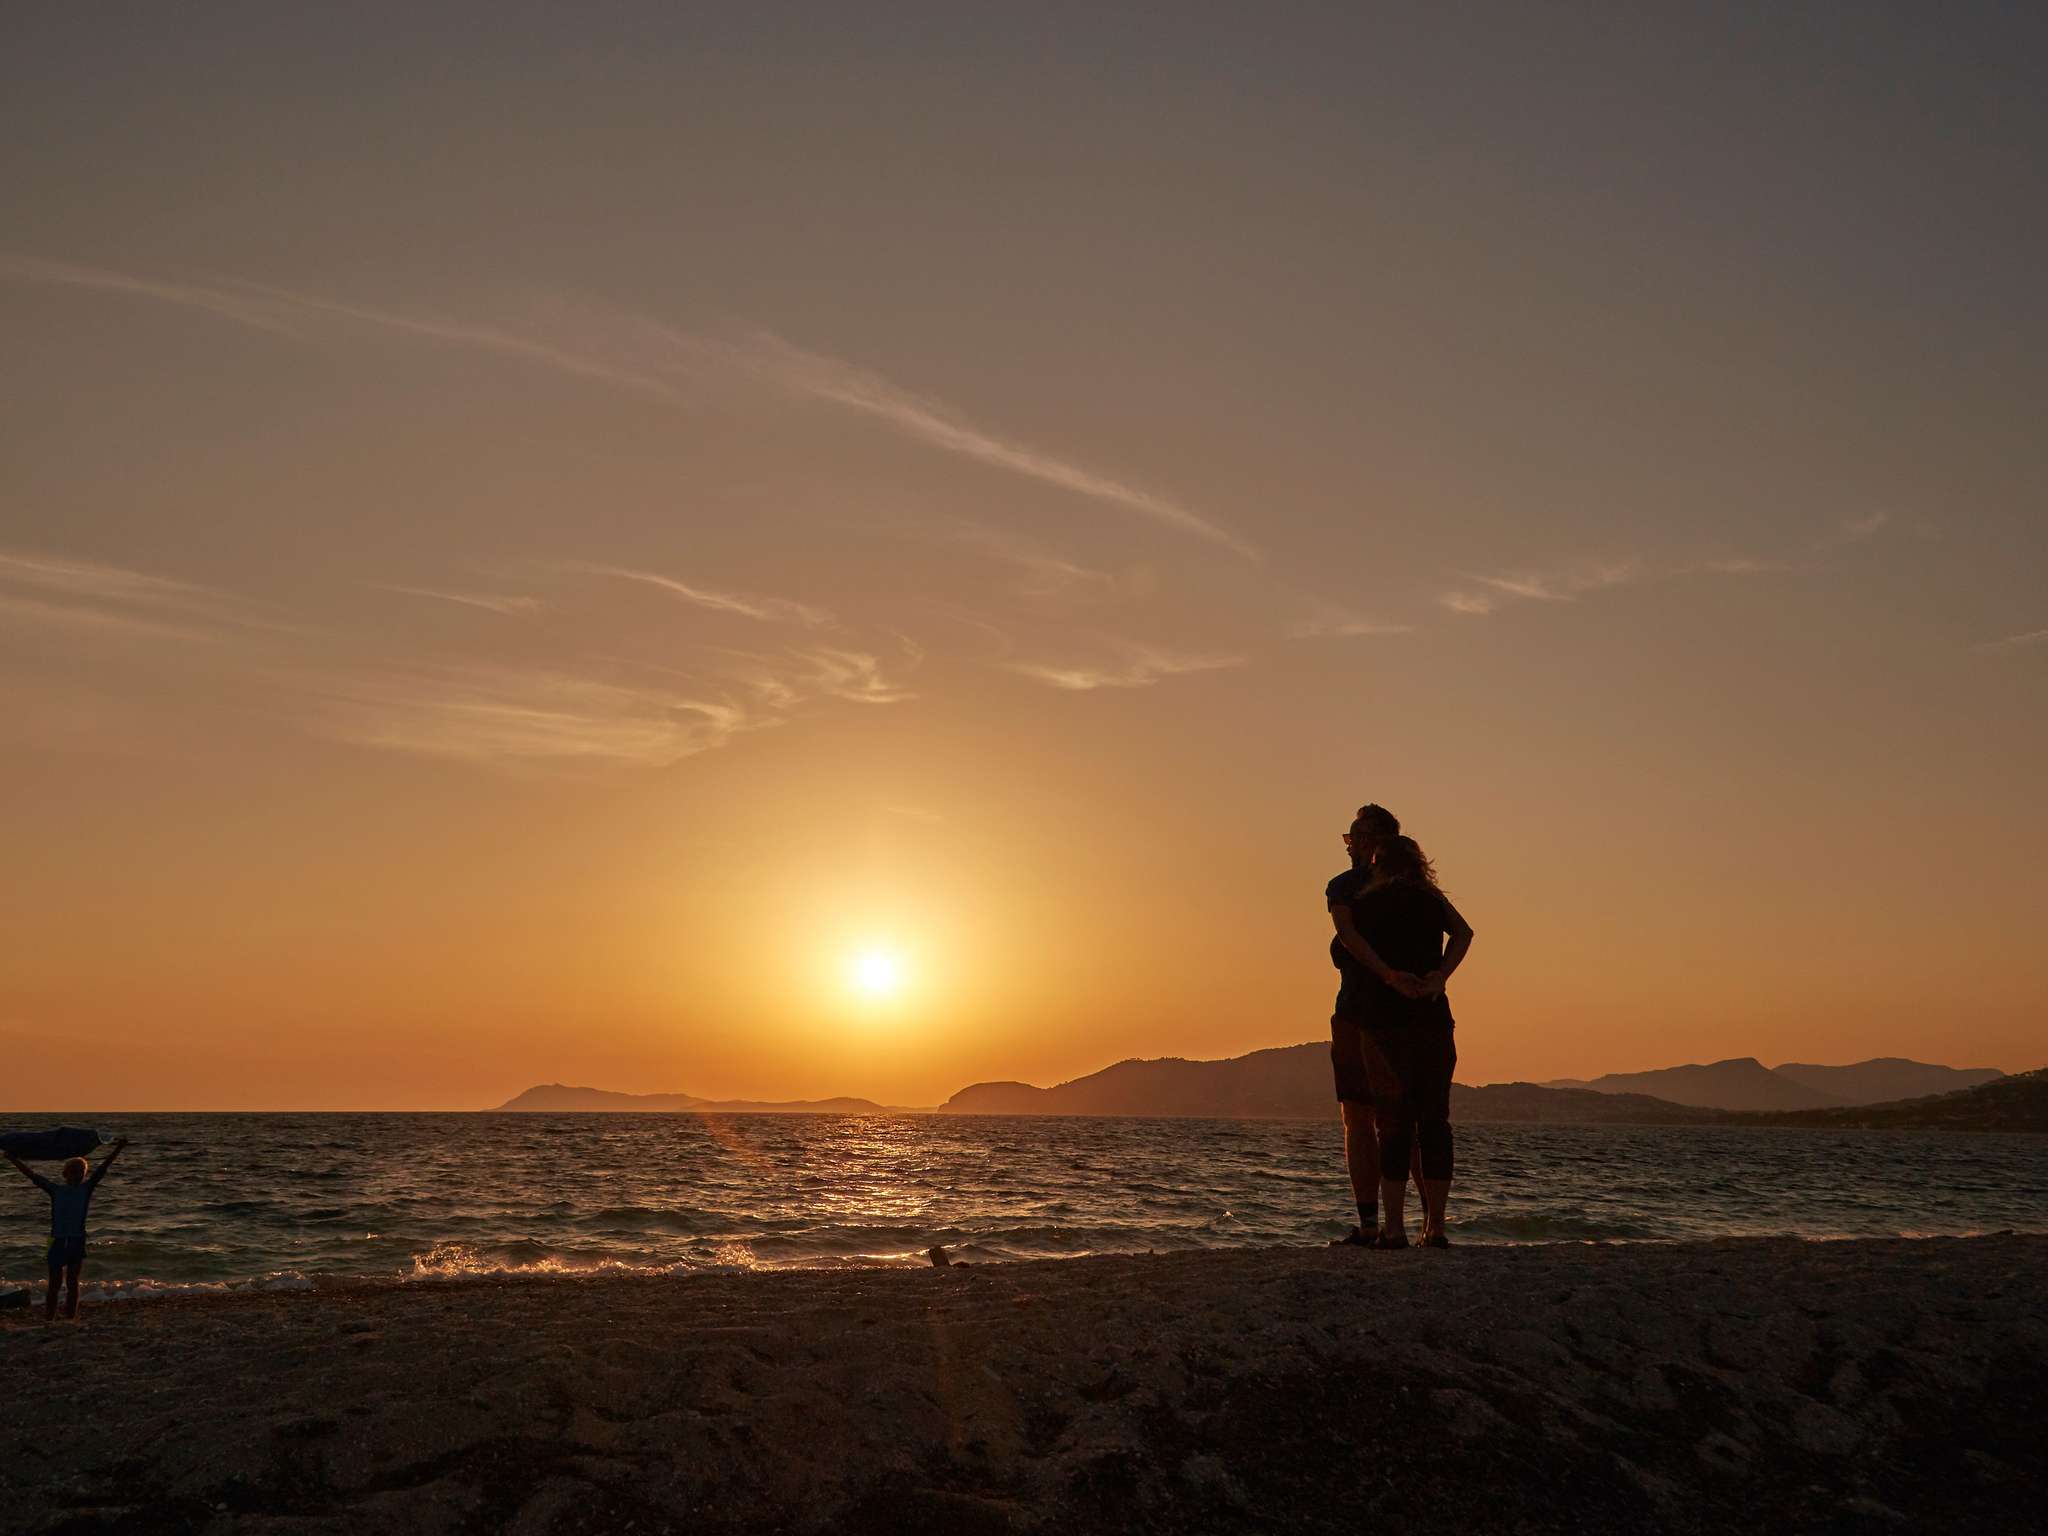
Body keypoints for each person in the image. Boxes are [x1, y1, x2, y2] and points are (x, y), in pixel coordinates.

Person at [1352, 836, 1472, 1248]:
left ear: (1378, 863)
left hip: (1385, 1020)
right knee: (1434, 1122)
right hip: (1433, 1018)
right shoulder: (1429, 898)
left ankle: (1396, 1228)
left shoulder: (1367, 904)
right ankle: (1435, 1227)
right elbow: (1464, 933)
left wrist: (1388, 974)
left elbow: (1346, 946)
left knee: (1393, 1123)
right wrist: (1440, 973)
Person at [1324, 804, 1433, 1247]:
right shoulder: (1419, 891)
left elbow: (1349, 938)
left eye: (1353, 838)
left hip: (1366, 1011)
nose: (1349, 846)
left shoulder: (1347, 887)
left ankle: (1377, 1223)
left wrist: (1386, 975)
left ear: (1371, 841)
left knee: (1363, 1116)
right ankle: (1427, 1222)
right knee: (1399, 1118)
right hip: (1408, 1010)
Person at [7, 1138, 128, 1321]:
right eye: (73, 1171)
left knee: (72, 1281)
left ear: (84, 1175)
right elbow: (32, 1176)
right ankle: (49, 1317)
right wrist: (13, 1160)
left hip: (76, 1239)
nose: (76, 1174)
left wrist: (118, 1148)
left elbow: (103, 1168)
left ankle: (70, 1317)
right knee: (54, 1283)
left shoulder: (86, 1189)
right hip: (55, 1240)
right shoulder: (55, 1190)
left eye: (80, 1172)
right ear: (65, 1174)